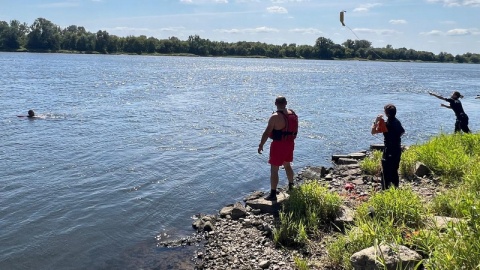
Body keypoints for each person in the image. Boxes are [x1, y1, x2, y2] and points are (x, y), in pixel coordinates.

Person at [258, 96, 298, 200]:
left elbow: (267, 132)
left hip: (278, 145)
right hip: (290, 143)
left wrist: (261, 145)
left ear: (276, 103)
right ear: (286, 103)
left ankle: (273, 194)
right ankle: (291, 186)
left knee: (274, 169)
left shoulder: (275, 117)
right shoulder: (292, 113)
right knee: (287, 165)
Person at [371, 104, 405, 190]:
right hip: (397, 149)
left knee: (386, 171)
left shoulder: (386, 124)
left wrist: (376, 120)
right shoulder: (397, 122)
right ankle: (395, 188)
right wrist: (394, 137)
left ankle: (385, 190)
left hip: (389, 150)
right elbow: (402, 132)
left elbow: (373, 131)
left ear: (387, 114)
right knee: (394, 170)